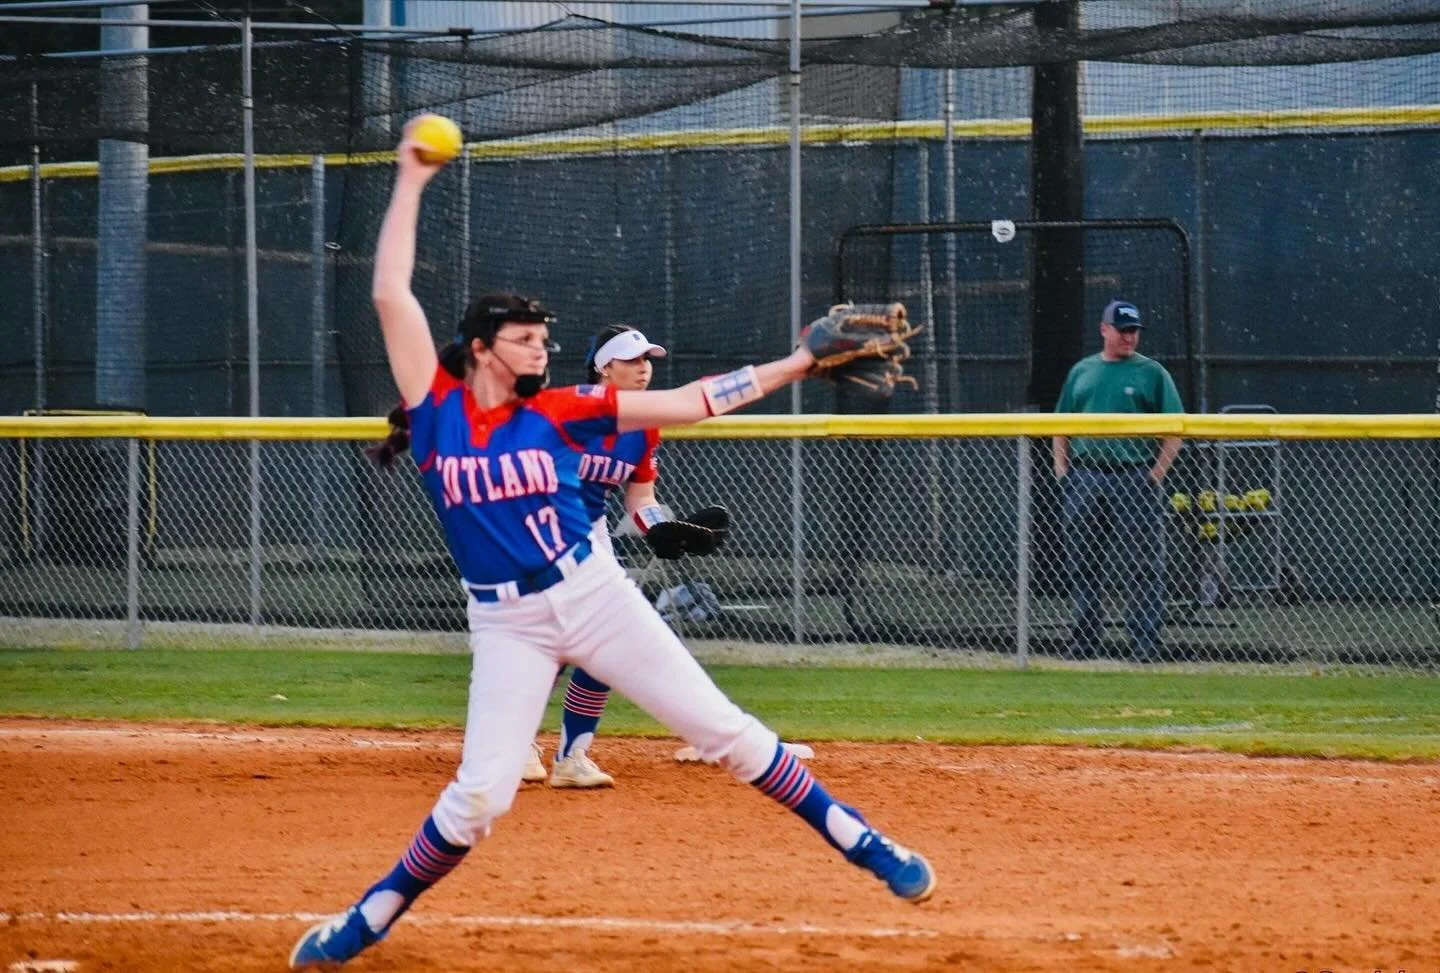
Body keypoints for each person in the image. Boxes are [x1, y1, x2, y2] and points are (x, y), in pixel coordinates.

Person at [288, 118, 935, 970]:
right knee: (480, 794)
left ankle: (865, 844)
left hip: (592, 593)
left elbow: (695, 401)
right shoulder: (437, 407)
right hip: (507, 624)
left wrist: (792, 365)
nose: (541, 346)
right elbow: (388, 295)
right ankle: (365, 920)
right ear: (482, 348)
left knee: (728, 732)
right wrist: (409, 178)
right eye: (524, 337)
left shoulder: (563, 410)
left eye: (545, 339)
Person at [525, 321, 729, 789]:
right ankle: (517, 742)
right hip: (533, 527)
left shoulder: (642, 426)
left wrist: (662, 530)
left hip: (590, 533)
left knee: (605, 646)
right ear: (604, 368)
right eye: (632, 361)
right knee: (549, 643)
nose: (643, 370)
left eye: (647, 362)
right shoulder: (567, 410)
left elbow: (640, 501)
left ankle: (572, 757)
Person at [1051, 300, 1184, 663]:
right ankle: (1084, 643)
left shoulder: (1152, 373)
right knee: (1082, 562)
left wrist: (1155, 475)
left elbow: (1175, 430)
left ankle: (1144, 644)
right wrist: (1062, 470)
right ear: (1104, 329)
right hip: (1086, 475)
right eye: (1122, 329)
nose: (1129, 337)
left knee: (1143, 564)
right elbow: (1060, 425)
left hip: (1133, 476)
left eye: (1134, 330)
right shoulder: (1082, 371)